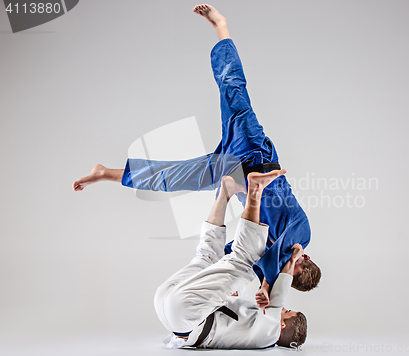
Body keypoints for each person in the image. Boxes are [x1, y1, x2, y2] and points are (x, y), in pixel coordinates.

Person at [72, 4, 321, 298]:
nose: (293, 260)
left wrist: (237, 285)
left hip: (234, 177)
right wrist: (268, 282)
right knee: (232, 88)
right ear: (304, 258)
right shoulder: (301, 235)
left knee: (172, 179)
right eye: (296, 263)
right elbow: (274, 257)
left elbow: (235, 251)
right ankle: (221, 27)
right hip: (256, 154)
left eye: (290, 269)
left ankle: (106, 173)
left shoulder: (270, 261)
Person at [155, 170, 306, 349]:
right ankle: (225, 193)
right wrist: (235, 292)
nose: (283, 308)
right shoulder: (256, 332)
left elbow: (279, 296)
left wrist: (293, 257)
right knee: (208, 257)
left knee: (245, 261)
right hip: (169, 307)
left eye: (287, 312)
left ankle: (255, 190)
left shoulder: (270, 335)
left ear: (282, 325)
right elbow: (231, 314)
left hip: (186, 315)